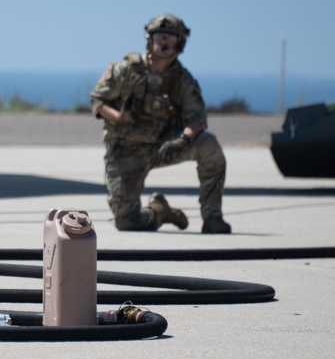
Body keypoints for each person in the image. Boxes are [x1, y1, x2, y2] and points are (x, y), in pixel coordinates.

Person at [90, 14, 232, 234]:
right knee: (126, 222)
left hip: (163, 145)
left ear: (179, 43)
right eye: (159, 36)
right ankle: (159, 212)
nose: (163, 41)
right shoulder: (126, 70)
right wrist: (118, 117)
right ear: (150, 39)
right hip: (125, 150)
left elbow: (197, 118)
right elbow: (98, 101)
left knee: (207, 145)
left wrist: (183, 138)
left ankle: (212, 217)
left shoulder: (182, 80)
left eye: (170, 37)